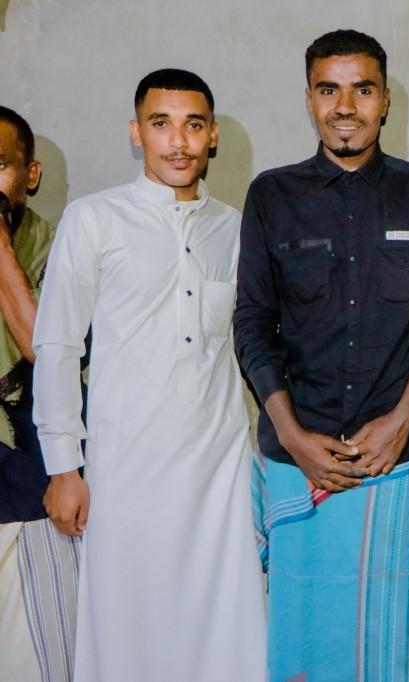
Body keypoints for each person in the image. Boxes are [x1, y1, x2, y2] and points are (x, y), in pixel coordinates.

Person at [32, 69, 266, 681]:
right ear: (137, 133)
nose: (178, 142)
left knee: (225, 631)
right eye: (161, 124)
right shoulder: (93, 219)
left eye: (193, 125)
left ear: (212, 135)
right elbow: (56, 345)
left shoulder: (235, 227)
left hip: (219, 471)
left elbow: (248, 345)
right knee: (127, 628)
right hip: (124, 469)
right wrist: (63, 467)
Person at [234, 29, 409, 682]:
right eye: (329, 90)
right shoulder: (271, 196)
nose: (345, 106)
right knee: (303, 642)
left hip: (395, 465)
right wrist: (292, 435)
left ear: (385, 101)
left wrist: (402, 422)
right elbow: (253, 324)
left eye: (362, 89)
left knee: (387, 646)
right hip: (298, 465)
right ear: (309, 99)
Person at [0, 106, 78, 682]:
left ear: (31, 174)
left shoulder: (58, 247)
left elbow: (39, 346)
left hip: (22, 475)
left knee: (35, 651)